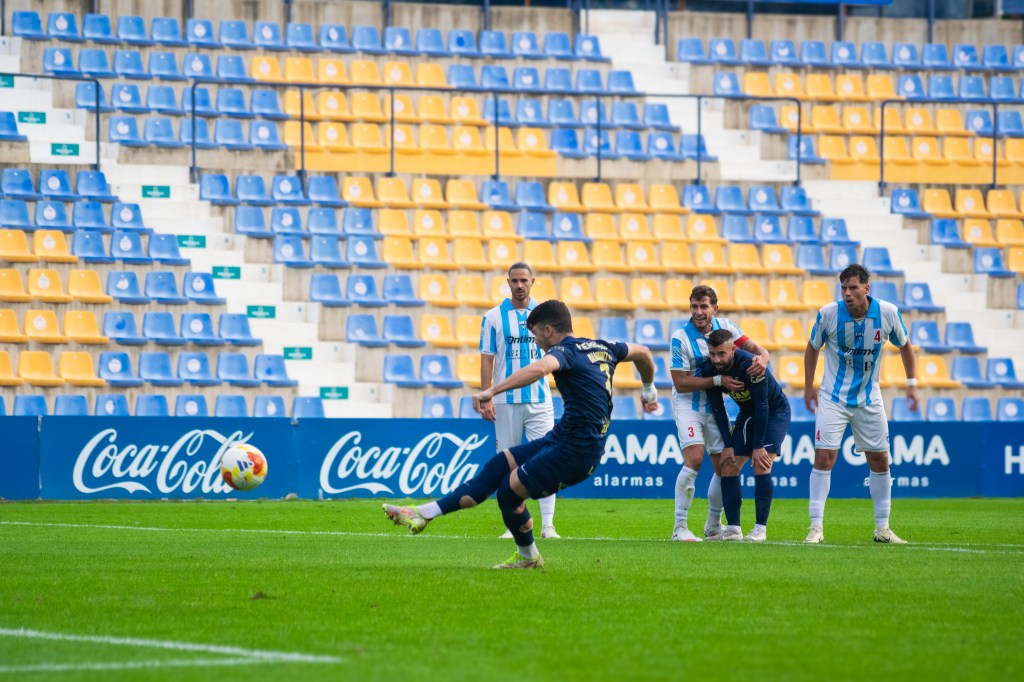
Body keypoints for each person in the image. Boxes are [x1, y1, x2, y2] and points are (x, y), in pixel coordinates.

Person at [384, 300, 659, 569]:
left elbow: (540, 368)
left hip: (577, 451)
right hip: (563, 438)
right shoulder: (603, 346)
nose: (536, 342)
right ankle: (423, 514)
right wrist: (649, 390)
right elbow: (644, 353)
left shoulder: (564, 352)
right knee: (497, 466)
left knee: (508, 492)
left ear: (548, 330)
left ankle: (528, 557)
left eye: (536, 334)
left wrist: (492, 390)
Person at [803, 264, 916, 544]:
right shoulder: (829, 314)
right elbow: (812, 347)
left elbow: (905, 345)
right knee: (824, 458)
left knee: (880, 460)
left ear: (867, 288)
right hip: (833, 398)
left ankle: (882, 528)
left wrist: (911, 385)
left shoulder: (887, 313)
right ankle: (815, 528)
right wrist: (808, 386)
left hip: (869, 398)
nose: (847, 293)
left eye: (853, 287)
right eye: (843, 288)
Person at [669, 285, 771, 542]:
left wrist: (764, 358)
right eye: (694, 306)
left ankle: (713, 526)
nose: (698, 312)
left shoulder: (726, 328)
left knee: (726, 465)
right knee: (695, 458)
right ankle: (679, 527)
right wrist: (718, 380)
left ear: (714, 308)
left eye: (704, 306)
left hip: (716, 406)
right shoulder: (680, 338)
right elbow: (680, 383)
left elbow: (757, 349)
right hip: (689, 405)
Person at [479, 262, 558, 540]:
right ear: (508, 282)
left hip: (539, 399)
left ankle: (548, 526)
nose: (519, 285)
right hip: (505, 401)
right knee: (506, 463)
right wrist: (486, 396)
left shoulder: (546, 316)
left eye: (524, 280)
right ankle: (511, 525)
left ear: (532, 281)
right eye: (515, 281)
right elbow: (487, 359)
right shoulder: (493, 317)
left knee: (548, 459)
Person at [701, 329, 791, 542]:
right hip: (748, 412)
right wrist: (728, 444)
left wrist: (758, 446)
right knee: (728, 463)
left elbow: (763, 405)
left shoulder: (751, 365)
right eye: (712, 354)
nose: (717, 359)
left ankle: (760, 529)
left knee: (762, 463)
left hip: (774, 411)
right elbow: (718, 409)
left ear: (733, 349)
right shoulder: (709, 370)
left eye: (721, 354)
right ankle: (733, 529)